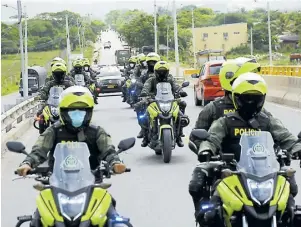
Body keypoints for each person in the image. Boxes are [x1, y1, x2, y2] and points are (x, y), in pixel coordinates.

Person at [196, 73, 301, 224]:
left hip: (266, 172)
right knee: (211, 213)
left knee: (290, 197)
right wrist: (205, 150)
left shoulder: (267, 120)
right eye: (247, 98)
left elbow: (287, 138)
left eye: (256, 98)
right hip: (232, 173)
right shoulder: (225, 122)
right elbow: (211, 139)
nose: (251, 102)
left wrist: (297, 148)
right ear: (236, 98)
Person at [17, 86, 128, 226]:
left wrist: (115, 163)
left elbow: (108, 150)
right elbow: (39, 149)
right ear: (63, 113)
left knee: (114, 217)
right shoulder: (54, 131)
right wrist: (27, 163)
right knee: (38, 218)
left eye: (81, 111)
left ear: (88, 113)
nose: (77, 115)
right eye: (72, 111)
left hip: (92, 185)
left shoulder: (97, 132)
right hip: (56, 185)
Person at [188, 58, 273, 214]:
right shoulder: (214, 110)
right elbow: (200, 137)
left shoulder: (262, 114)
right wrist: (206, 152)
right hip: (223, 164)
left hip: (258, 166)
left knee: (288, 186)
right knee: (197, 185)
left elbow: (280, 134)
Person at [139, 61, 188, 147]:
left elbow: (176, 86)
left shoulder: (170, 79)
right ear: (156, 72)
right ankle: (145, 135)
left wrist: (181, 91)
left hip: (170, 100)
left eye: (164, 71)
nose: (162, 73)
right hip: (154, 101)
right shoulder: (151, 79)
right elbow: (146, 87)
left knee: (182, 110)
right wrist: (144, 94)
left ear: (167, 72)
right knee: (144, 116)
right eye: (160, 71)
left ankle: (179, 134)